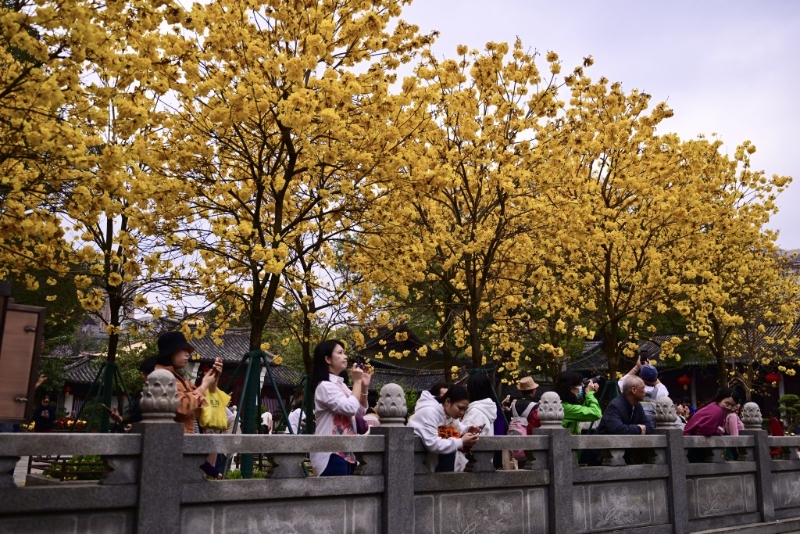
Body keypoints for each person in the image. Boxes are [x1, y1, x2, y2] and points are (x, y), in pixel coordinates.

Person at [155, 331, 224, 477]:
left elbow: (202, 406)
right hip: (176, 446)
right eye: (183, 351)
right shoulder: (162, 377)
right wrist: (204, 385)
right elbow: (182, 407)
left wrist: (213, 379)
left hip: (186, 444)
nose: (188, 354)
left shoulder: (178, 378)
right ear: (171, 352)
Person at [310, 339, 371, 476]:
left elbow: (359, 410)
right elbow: (349, 408)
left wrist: (363, 386)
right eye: (340, 353)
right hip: (331, 454)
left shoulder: (340, 385)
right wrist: (357, 381)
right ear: (327, 359)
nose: (345, 356)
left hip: (348, 453)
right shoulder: (325, 386)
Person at [408, 385, 480, 472]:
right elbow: (432, 443)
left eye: (464, 409)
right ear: (447, 401)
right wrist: (461, 442)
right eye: (460, 408)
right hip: (413, 461)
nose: (462, 412)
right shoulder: (430, 412)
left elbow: (457, 426)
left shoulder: (448, 413)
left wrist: (468, 429)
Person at [683, 388, 741, 462]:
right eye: (727, 403)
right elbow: (704, 430)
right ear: (720, 399)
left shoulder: (714, 406)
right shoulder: (718, 411)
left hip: (692, 445)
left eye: (732, 405)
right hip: (694, 447)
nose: (729, 407)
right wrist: (719, 431)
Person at [455, 374, 498, 471]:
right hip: (483, 462)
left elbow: (467, 442)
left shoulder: (475, 412)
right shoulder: (486, 408)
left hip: (469, 466)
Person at [110, 356, 158, 432]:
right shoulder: (140, 394)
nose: (142, 376)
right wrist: (121, 418)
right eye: (143, 373)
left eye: (146, 374)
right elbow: (136, 415)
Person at [618, 357, 669, 427]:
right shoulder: (660, 392)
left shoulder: (633, 389)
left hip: (633, 427)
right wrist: (651, 370)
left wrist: (637, 367)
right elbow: (661, 387)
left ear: (640, 376)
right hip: (650, 427)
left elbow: (622, 381)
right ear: (655, 379)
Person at [557, 371, 602, 435]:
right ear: (571, 388)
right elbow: (596, 413)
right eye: (580, 385)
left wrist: (589, 394)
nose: (582, 386)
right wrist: (589, 394)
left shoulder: (563, 404)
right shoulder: (565, 408)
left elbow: (584, 410)